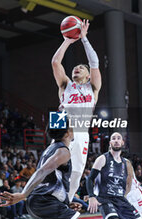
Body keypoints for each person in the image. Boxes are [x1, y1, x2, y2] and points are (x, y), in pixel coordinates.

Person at [0, 123, 89, 219]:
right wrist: (23, 194)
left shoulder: (50, 148)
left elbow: (49, 180)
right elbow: (42, 171)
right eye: (71, 128)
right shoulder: (63, 151)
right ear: (66, 134)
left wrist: (64, 203)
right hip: (45, 202)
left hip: (40, 202)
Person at [51, 19, 101, 202]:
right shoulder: (66, 85)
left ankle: (65, 204)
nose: (77, 68)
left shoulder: (93, 88)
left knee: (77, 173)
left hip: (81, 132)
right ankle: (51, 203)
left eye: (81, 68)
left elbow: (94, 62)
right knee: (55, 168)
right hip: (62, 129)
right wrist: (68, 40)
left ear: (88, 75)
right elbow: (56, 62)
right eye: (74, 67)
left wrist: (84, 39)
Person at [86, 132, 142, 219]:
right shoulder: (102, 158)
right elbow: (89, 179)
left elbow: (127, 183)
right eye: (113, 138)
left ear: (122, 142)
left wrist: (125, 196)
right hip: (105, 198)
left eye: (118, 138)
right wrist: (91, 196)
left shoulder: (125, 163)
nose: (116, 140)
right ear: (110, 142)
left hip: (120, 199)